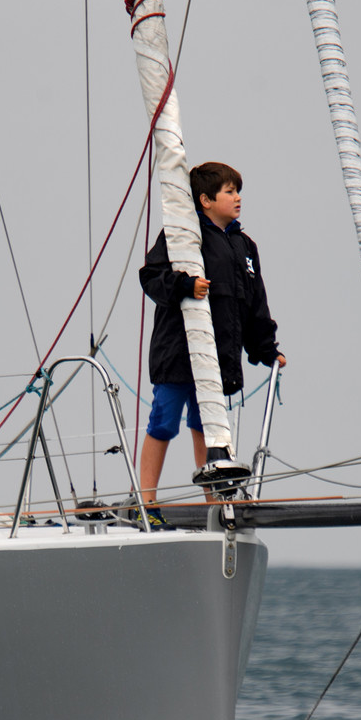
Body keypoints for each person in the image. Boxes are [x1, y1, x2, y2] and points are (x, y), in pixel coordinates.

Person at [137, 161, 285, 511]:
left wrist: (266, 349)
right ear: (205, 199)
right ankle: (147, 502)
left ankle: (213, 505)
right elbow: (151, 277)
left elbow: (254, 304)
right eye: (230, 192)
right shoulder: (182, 234)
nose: (238, 198)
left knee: (208, 426)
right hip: (178, 353)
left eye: (238, 191)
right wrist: (185, 285)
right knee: (163, 421)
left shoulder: (245, 246)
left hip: (218, 358)